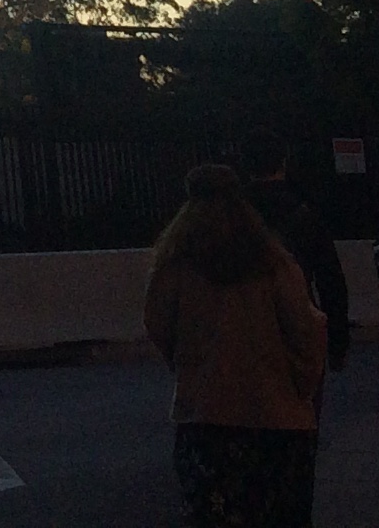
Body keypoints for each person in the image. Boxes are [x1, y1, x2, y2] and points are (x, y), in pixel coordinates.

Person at [146, 162, 329, 527]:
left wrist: (189, 367)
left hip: (206, 416)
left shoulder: (176, 267)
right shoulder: (275, 264)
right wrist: (300, 387)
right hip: (278, 418)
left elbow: (158, 326)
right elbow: (307, 331)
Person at [238, 127, 351, 377]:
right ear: (284, 162)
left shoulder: (230, 216)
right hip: (297, 322)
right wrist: (337, 342)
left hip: (244, 328)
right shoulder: (304, 213)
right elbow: (331, 281)